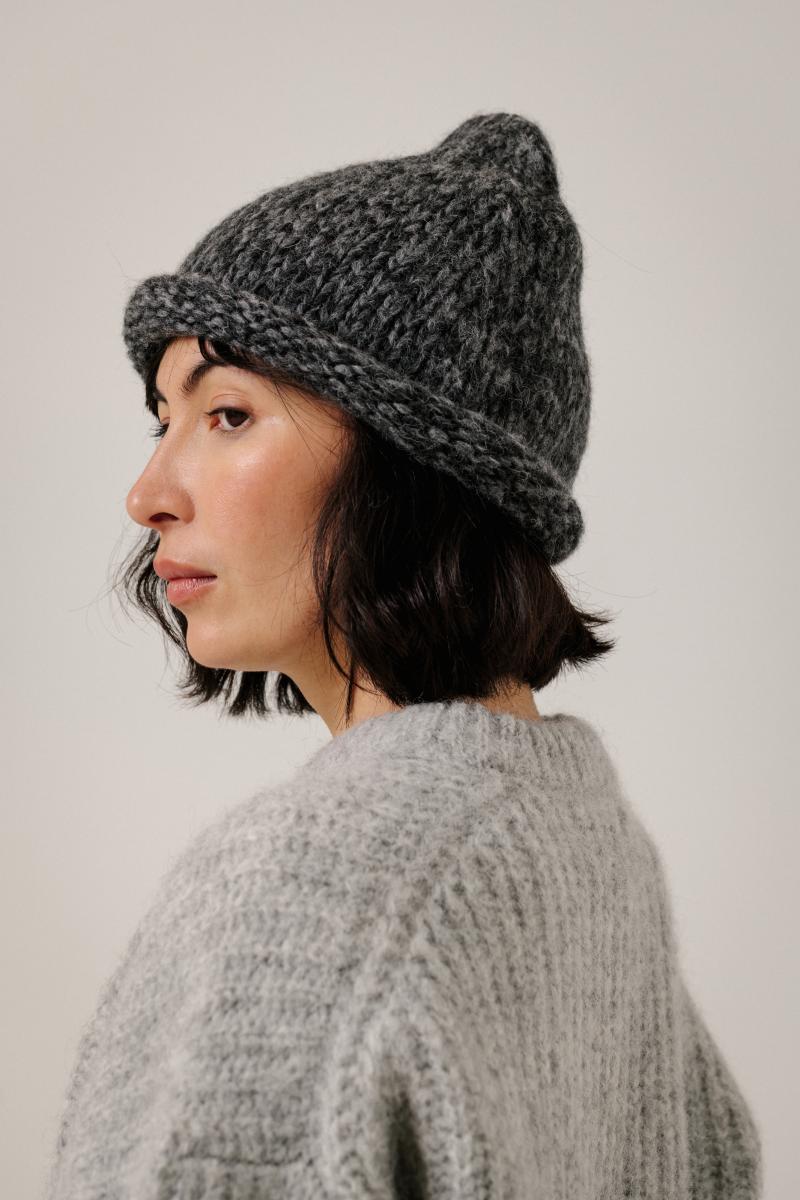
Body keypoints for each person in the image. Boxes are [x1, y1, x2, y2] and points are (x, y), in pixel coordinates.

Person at [45, 112, 763, 1200]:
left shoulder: (307, 887)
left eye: (228, 415)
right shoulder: (594, 858)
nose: (147, 494)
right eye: (162, 420)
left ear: (412, 461)